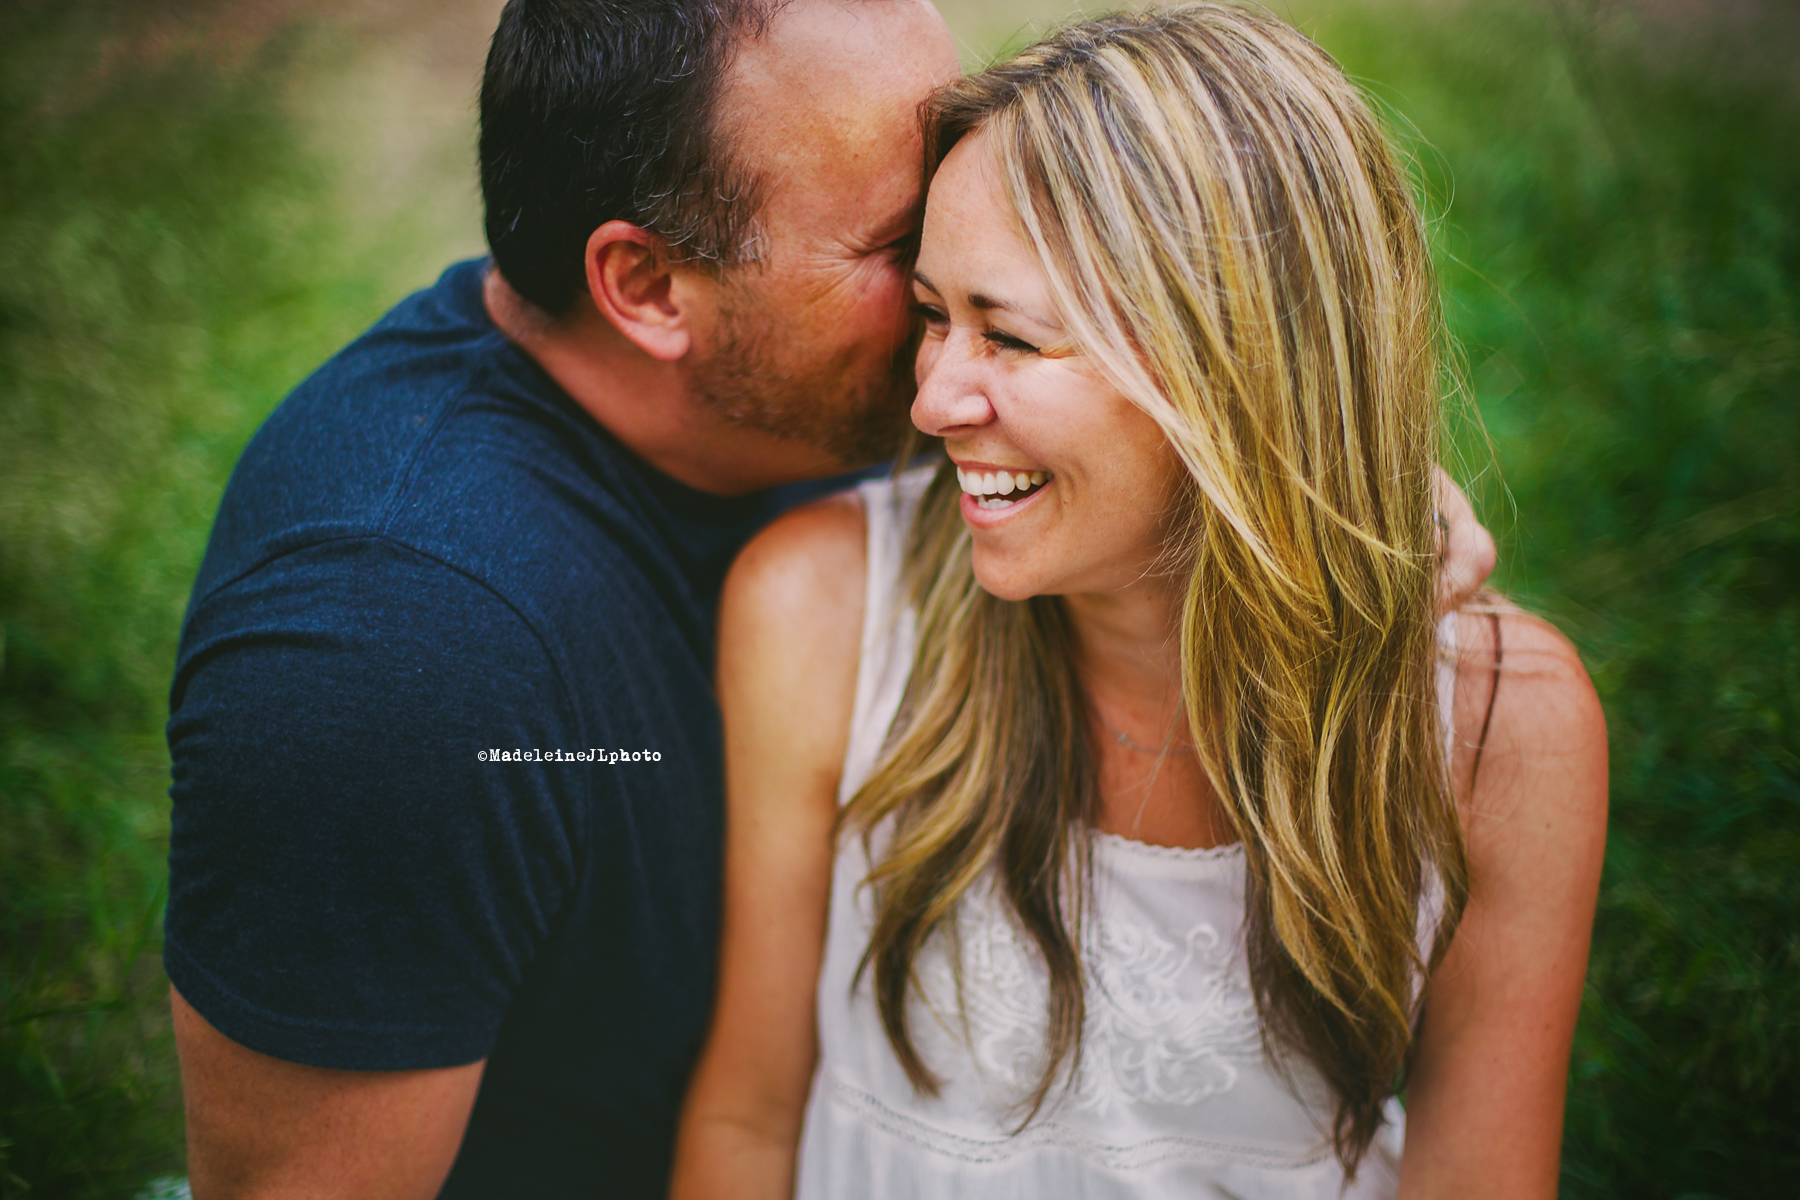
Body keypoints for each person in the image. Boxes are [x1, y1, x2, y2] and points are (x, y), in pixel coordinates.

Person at [671, 6, 1606, 1199]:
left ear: (1236, 371)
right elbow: (749, 1121)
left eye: (1008, 335)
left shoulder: (1498, 731)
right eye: (930, 316)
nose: (935, 400)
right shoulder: (823, 614)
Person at [164, 2, 963, 1197]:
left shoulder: (894, 388)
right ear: (646, 286)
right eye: (901, 242)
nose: (974, 266)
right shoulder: (396, 656)